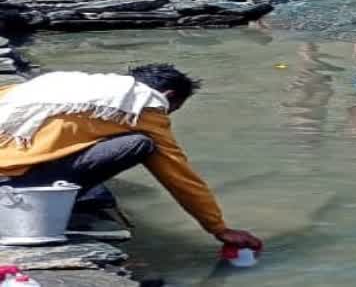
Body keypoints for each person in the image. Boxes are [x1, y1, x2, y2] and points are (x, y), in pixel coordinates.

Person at [0, 65, 262, 252]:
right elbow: (180, 178)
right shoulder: (145, 107)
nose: (168, 116)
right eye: (174, 109)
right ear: (168, 96)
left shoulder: (63, 84)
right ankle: (54, 198)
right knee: (139, 143)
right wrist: (218, 228)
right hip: (11, 184)